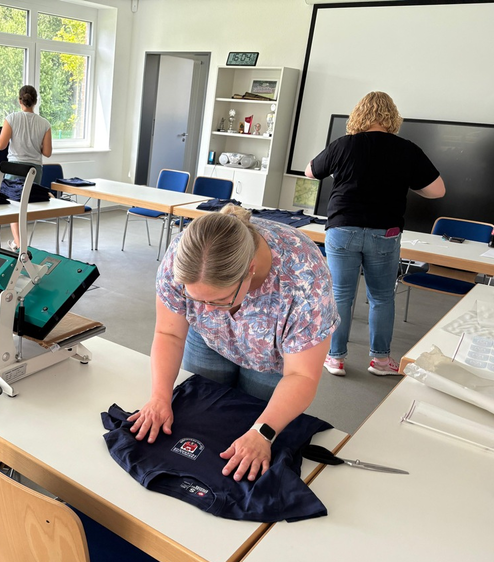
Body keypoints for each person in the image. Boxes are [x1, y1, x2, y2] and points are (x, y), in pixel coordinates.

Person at [128, 206, 338, 482]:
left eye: (218, 301)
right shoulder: (183, 255)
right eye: (197, 301)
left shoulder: (304, 275)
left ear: (250, 270)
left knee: (251, 433)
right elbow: (170, 334)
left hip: (272, 362)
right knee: (201, 420)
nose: (208, 311)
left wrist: (263, 431)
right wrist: (159, 397)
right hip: (208, 343)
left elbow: (301, 374)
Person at [306, 91, 445, 377]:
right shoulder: (406, 149)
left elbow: (311, 172)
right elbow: (437, 191)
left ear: (358, 115)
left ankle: (335, 359)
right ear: (392, 117)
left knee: (341, 296)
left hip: (343, 229)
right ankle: (381, 362)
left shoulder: (343, 145)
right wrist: (408, 183)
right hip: (386, 232)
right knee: (382, 297)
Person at [0, 85, 52, 248]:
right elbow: (47, 152)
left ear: (20, 100)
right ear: (35, 101)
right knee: (25, 207)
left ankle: (20, 244)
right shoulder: (44, 124)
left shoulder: (11, 118)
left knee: (13, 208)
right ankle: (19, 244)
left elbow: (1, 145)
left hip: (15, 169)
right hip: (35, 170)